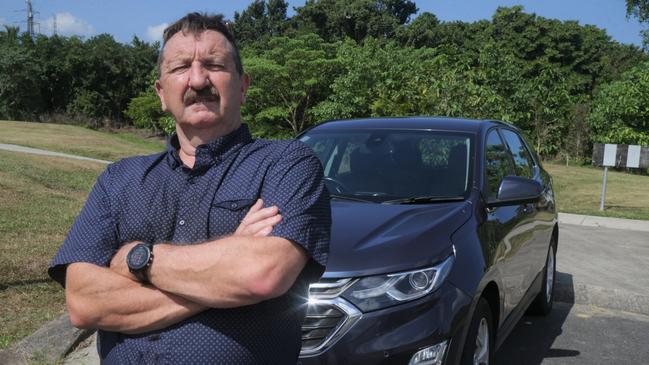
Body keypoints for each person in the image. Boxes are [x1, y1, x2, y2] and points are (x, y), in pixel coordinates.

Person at [48, 12, 330, 365]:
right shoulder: (118, 180)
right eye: (181, 67)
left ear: (243, 86)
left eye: (214, 65)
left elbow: (261, 276)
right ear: (161, 93)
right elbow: (84, 303)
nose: (198, 80)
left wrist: (138, 259)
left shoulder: (287, 163)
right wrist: (226, 270)